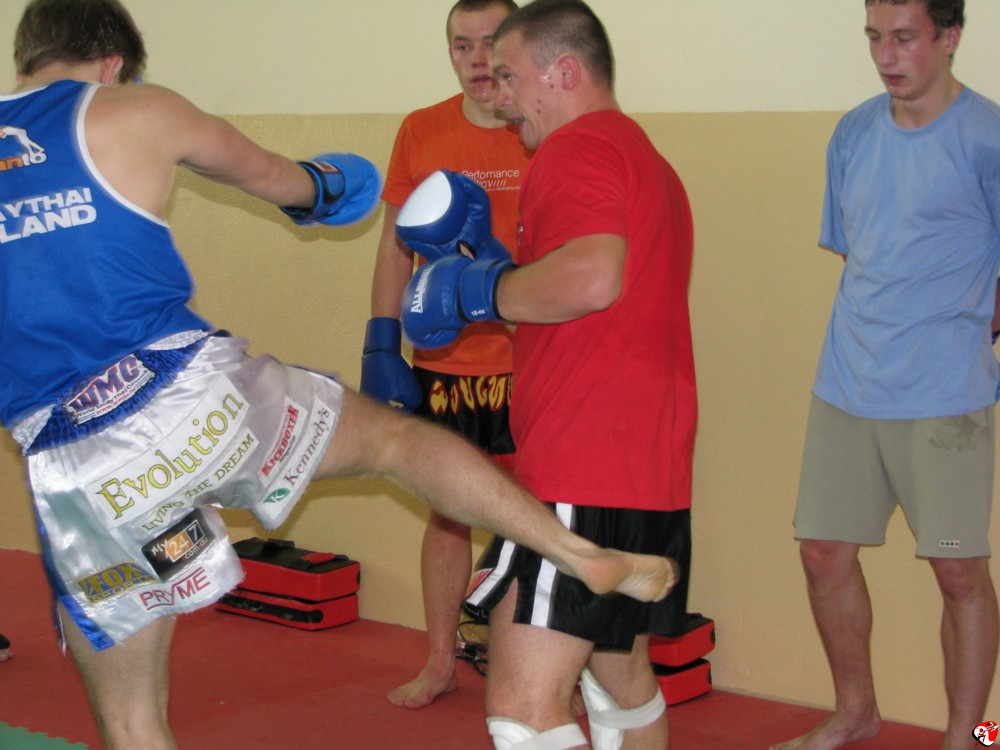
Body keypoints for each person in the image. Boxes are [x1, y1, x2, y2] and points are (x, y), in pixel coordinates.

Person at [0, 2, 680, 749]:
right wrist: (328, 189)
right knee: (395, 442)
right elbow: (286, 181)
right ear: (113, 66)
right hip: (187, 397)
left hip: (73, 461)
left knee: (132, 723)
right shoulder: (135, 111)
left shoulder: (581, 150)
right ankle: (576, 552)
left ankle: (576, 559)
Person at [397, 1, 697, 747]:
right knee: (618, 678)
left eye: (509, 76)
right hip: (645, 469)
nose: (498, 96)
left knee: (524, 711)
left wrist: (479, 293)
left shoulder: (575, 149)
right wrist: (500, 273)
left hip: (581, 468)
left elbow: (592, 279)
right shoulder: (646, 159)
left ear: (563, 72)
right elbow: (592, 299)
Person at [770, 2, 1000, 749]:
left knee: (959, 574)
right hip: (847, 383)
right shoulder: (854, 133)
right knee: (822, 552)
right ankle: (855, 712)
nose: (886, 55)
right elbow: (858, 252)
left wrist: (967, 331)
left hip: (946, 395)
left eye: (904, 38)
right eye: (874, 37)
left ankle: (971, 735)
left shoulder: (988, 138)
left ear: (950, 37)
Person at [360, 0, 532, 710]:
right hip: (445, 362)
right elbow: (394, 246)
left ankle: (535, 670)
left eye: (491, 43)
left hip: (528, 361)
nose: (478, 59)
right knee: (446, 513)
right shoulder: (422, 129)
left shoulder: (540, 129)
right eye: (463, 45)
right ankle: (440, 661)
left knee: (537, 515)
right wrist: (380, 339)